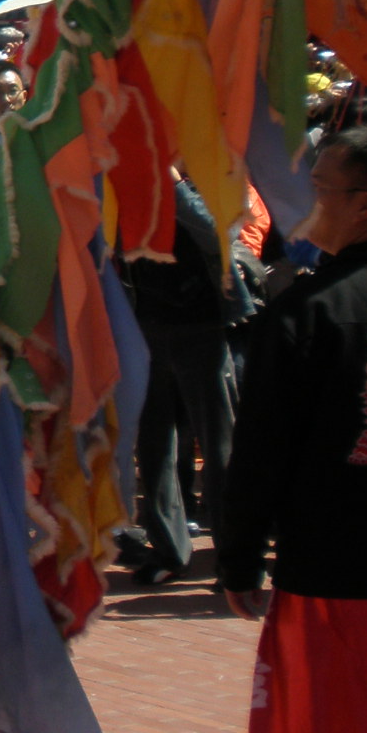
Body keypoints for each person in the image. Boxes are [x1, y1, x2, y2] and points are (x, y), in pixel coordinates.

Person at [220, 126, 367, 733]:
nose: (306, 203)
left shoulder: (309, 311)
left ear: (366, 204)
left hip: (337, 584)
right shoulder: (308, 307)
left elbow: (260, 452)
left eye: (321, 189)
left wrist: (240, 558)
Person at [121, 175, 238, 587]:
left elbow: (218, 230)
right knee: (154, 447)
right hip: (146, 326)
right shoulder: (128, 182)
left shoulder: (211, 175)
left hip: (201, 327)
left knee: (218, 445)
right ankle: (168, 549)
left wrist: (172, 183)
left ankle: (232, 556)